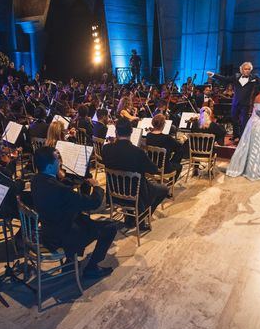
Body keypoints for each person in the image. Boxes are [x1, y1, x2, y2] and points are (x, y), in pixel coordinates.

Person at [31, 147, 117, 278]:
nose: (60, 162)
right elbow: (93, 203)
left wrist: (62, 179)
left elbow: (61, 195)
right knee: (110, 227)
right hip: (63, 235)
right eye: (57, 160)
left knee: (83, 219)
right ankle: (92, 268)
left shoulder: (36, 180)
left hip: (48, 230)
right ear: (49, 166)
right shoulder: (59, 189)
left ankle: (70, 261)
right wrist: (97, 187)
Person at [102, 118, 169, 220]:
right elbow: (154, 170)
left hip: (114, 194)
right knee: (164, 189)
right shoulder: (138, 152)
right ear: (132, 132)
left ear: (116, 132)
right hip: (136, 195)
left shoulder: (106, 149)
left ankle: (131, 217)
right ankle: (141, 217)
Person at [207, 62, 260, 141]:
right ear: (241, 70)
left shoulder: (254, 78)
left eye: (249, 69)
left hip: (246, 103)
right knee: (234, 119)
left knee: (244, 121)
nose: (247, 71)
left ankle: (242, 138)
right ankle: (236, 135)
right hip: (236, 102)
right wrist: (213, 75)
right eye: (245, 69)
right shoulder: (236, 77)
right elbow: (225, 78)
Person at [226, 79, 260, 180]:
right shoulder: (259, 97)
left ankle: (259, 168)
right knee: (255, 147)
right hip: (257, 124)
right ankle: (252, 170)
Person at [145, 114, 183, 180]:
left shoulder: (148, 136)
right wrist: (182, 140)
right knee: (179, 164)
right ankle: (170, 184)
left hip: (151, 166)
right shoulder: (167, 138)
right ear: (163, 125)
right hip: (164, 168)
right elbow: (179, 147)